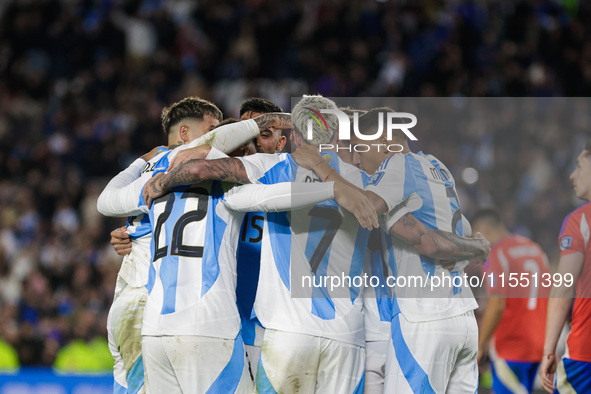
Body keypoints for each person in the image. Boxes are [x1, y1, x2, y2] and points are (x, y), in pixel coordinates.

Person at [142, 96, 490, 393]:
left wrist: (160, 181)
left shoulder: (273, 165)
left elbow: (200, 166)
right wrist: (472, 247)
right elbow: (419, 236)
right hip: (347, 337)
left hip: (285, 334)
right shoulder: (364, 182)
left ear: (292, 134)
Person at [292, 106, 491, 393]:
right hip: (462, 318)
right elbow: (463, 231)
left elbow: (365, 206)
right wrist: (476, 246)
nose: (357, 159)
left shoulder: (395, 165)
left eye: (359, 149)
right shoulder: (437, 167)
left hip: (423, 316)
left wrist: (320, 167)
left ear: (386, 142)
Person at [98, 96, 222, 394]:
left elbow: (105, 200)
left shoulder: (149, 167)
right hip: (152, 299)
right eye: (213, 128)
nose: (219, 137)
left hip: (127, 298)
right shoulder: (186, 167)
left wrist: (142, 159)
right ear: (185, 134)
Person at [472, 208, 550, 394]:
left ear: (484, 230)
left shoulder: (496, 254)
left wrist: (480, 346)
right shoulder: (535, 249)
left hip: (510, 345)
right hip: (538, 343)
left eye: (473, 237)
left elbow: (497, 303)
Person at [539, 140, 591, 393]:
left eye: (579, 166)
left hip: (585, 356)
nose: (573, 175)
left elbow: (562, 290)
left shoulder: (580, 220)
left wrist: (549, 349)